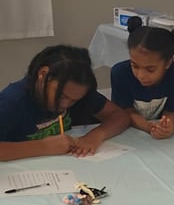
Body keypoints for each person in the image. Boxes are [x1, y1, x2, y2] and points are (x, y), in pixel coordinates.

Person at [0, 45, 129, 161]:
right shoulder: (12, 102)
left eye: (74, 100)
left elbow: (119, 116)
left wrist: (95, 136)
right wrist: (43, 147)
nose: (66, 104)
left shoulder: (76, 90)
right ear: (43, 74)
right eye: (62, 96)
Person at [111, 16, 174, 139]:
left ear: (168, 63)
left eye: (150, 69)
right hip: (128, 135)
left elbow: (172, 111)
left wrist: (168, 126)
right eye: (134, 66)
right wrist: (149, 127)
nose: (141, 75)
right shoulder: (120, 73)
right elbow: (125, 112)